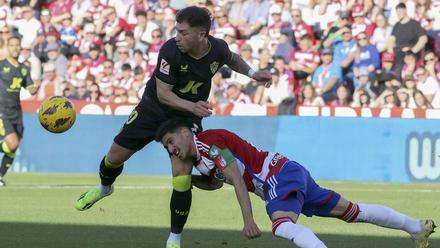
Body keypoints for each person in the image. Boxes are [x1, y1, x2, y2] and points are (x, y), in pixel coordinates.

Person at [73, 6, 272, 248]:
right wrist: (192, 106)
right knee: (114, 157)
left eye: (183, 32)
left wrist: (252, 74)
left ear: (202, 35)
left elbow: (232, 59)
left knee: (181, 175)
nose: (177, 37)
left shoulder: (217, 48)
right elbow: (164, 94)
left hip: (185, 119)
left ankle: (174, 240)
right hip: (154, 108)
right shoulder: (170, 51)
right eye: (176, 30)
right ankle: (105, 189)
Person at [155, 119, 437, 248]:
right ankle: (417, 228)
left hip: (276, 176)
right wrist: (192, 181)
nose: (171, 150)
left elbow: (237, 182)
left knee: (281, 226)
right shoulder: (203, 159)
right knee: (352, 212)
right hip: (288, 171)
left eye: (171, 142)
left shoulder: (209, 143)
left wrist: (248, 220)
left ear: (184, 132)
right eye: (167, 148)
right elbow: (218, 183)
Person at [0, 35, 39, 186]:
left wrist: (34, 89)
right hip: (1, 110)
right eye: (12, 45)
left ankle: (0, 176)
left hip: (16, 112)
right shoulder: (1, 65)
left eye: (17, 45)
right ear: (7, 47)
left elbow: (29, 87)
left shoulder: (24, 68)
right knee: (12, 142)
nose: (15, 48)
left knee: (13, 147)